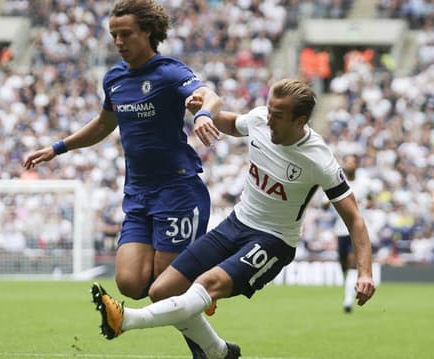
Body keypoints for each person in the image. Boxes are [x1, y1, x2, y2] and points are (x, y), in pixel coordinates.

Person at [91, 79, 376, 359]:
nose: (269, 120)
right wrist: (199, 111)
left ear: (300, 121)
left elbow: (354, 219)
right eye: (268, 111)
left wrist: (365, 272)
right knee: (161, 290)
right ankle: (218, 352)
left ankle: (126, 319)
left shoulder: (320, 160)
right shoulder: (259, 120)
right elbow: (229, 123)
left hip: (273, 240)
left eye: (278, 116)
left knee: (207, 284)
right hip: (236, 223)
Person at [23, 1, 222, 357]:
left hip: (178, 190)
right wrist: (58, 148)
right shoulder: (114, 78)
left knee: (165, 288)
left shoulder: (169, 72)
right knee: (130, 283)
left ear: (148, 32)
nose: (118, 41)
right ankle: (195, 290)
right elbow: (103, 125)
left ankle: (208, 349)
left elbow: (208, 93)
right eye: (114, 34)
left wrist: (204, 113)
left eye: (126, 34)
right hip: (139, 194)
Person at [329, 154, 371, 313]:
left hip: (356, 230)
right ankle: (348, 288)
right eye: (346, 162)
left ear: (357, 165)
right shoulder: (338, 183)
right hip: (340, 229)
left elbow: (372, 199)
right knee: (344, 266)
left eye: (352, 162)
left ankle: (348, 301)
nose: (349, 165)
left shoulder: (364, 184)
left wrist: (366, 206)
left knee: (352, 263)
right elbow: (324, 205)